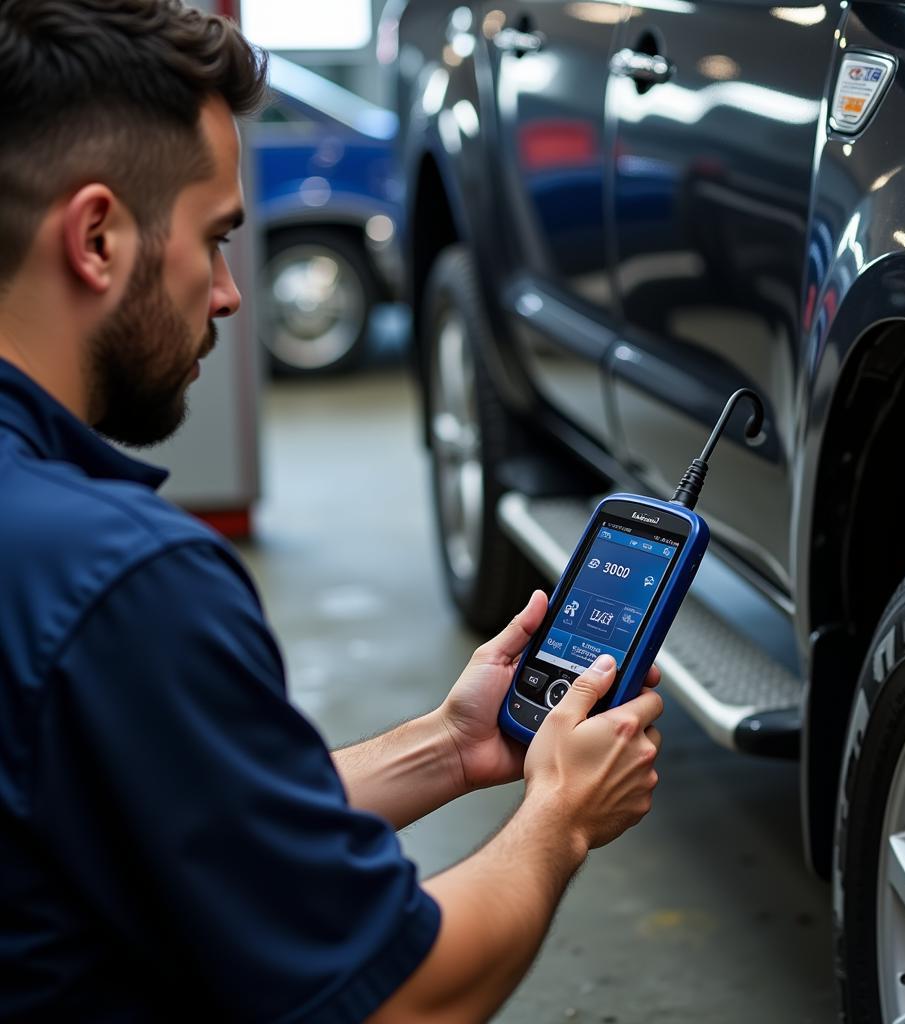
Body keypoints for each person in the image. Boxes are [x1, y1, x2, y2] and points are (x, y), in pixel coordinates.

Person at [0, 1, 664, 1020]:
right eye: (217, 239)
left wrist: (449, 746)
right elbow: (398, 1001)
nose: (228, 294)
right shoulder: (122, 581)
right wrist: (560, 812)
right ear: (96, 235)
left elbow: (201, 818)